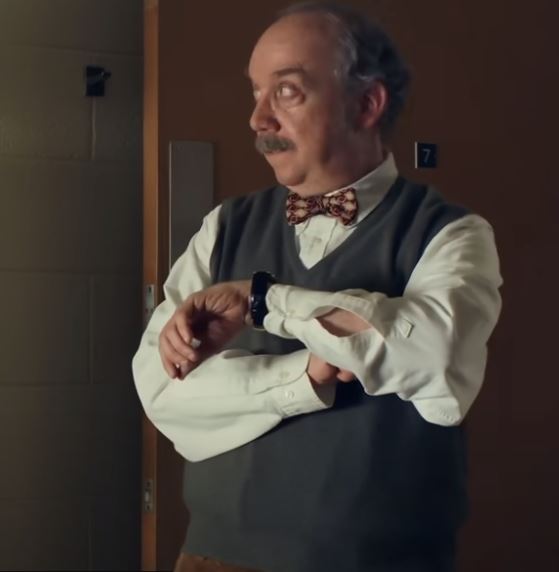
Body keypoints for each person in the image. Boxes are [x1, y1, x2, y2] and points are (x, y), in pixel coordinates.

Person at [132, 3, 502, 571]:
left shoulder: (452, 233)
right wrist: (304, 375)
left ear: (367, 104)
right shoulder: (223, 226)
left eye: (286, 91)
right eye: (256, 93)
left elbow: (439, 362)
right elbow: (162, 389)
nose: (258, 119)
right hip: (212, 561)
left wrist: (264, 301)